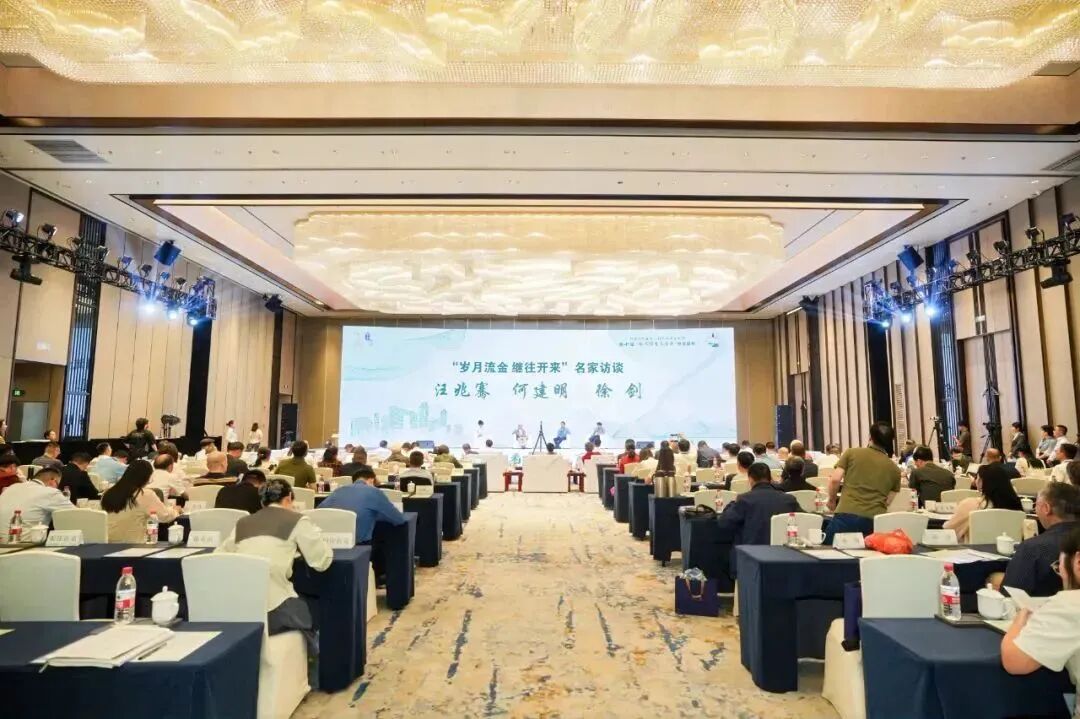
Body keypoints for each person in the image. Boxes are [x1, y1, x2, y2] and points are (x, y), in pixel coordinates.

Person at [216, 478, 332, 655]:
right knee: (316, 607)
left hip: (237, 604)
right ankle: (312, 662)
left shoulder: (244, 522)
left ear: (262, 501)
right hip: (275, 608)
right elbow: (321, 562)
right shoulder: (297, 520)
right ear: (289, 498)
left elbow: (219, 557)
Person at [1001, 525, 1080, 689]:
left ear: (1078, 562)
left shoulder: (1069, 604)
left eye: (1058, 567)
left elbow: (1015, 661)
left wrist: (1019, 622)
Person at [715, 462, 800, 573]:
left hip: (750, 560)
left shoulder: (744, 499)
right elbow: (806, 520)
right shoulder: (789, 499)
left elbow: (724, 523)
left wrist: (732, 503)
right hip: (785, 559)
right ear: (770, 479)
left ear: (750, 479)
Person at [825, 421, 902, 543]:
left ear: (870, 437)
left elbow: (835, 480)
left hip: (846, 515)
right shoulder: (895, 470)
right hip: (874, 522)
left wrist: (832, 501)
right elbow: (888, 501)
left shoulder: (852, 453)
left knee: (830, 550)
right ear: (889, 442)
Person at [1000, 483, 1080, 597]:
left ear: (1046, 508)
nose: (1034, 509)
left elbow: (1011, 596)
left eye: (1036, 505)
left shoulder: (1032, 548)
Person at [321, 464, 408, 538]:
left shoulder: (338, 490)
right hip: (360, 542)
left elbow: (320, 511)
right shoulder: (374, 491)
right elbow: (398, 519)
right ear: (371, 480)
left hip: (333, 538)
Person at [101, 461, 179, 542]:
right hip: (135, 545)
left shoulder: (107, 493)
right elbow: (165, 516)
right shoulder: (145, 494)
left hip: (108, 544)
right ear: (146, 478)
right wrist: (176, 510)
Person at [944, 463, 1023, 543]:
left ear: (980, 481)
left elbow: (948, 531)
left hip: (973, 550)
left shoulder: (970, 504)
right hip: (1011, 550)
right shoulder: (1016, 506)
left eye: (977, 477)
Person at [0, 466, 71, 527]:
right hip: (25, 538)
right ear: (53, 481)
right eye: (57, 484)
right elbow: (75, 514)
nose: (56, 487)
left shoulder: (12, 487)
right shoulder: (51, 492)